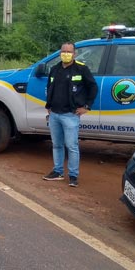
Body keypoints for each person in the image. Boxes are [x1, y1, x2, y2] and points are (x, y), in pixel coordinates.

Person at [42, 42, 98, 187]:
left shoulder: (81, 69)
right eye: (63, 51)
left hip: (70, 115)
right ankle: (57, 171)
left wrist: (87, 107)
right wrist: (48, 106)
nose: (66, 54)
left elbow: (93, 87)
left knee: (72, 146)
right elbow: (49, 87)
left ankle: (73, 176)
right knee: (56, 145)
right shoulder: (54, 69)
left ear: (75, 54)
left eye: (69, 51)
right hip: (54, 114)